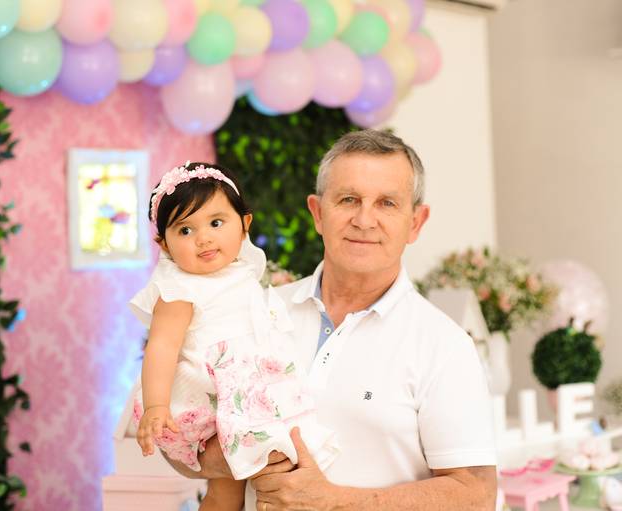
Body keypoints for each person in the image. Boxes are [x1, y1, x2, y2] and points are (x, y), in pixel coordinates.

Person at [166, 130, 498, 510]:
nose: (364, 220)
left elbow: (477, 495)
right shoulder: (255, 310)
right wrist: (231, 456)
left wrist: (333, 502)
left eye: (387, 203)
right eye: (348, 199)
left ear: (416, 223)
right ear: (318, 213)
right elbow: (179, 431)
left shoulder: (445, 345)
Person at [128, 161, 339, 510]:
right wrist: (156, 405)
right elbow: (162, 346)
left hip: (248, 388)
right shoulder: (178, 288)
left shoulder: (243, 270)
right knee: (237, 486)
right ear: (163, 244)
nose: (204, 238)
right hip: (211, 394)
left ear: (244, 225)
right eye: (185, 230)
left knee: (242, 487)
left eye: (216, 223)